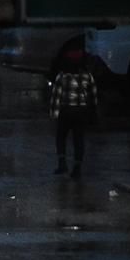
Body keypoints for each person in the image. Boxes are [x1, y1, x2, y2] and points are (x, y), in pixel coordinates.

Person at [48, 48, 98, 179]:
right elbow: (93, 95)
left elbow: (56, 96)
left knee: (61, 137)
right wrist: (93, 112)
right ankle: (77, 167)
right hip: (81, 111)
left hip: (66, 111)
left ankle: (62, 163)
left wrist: (54, 114)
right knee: (79, 139)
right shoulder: (87, 76)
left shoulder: (62, 76)